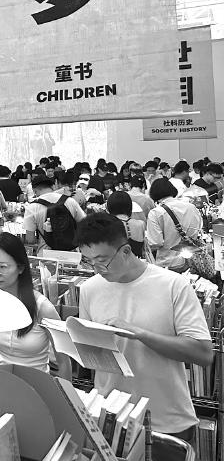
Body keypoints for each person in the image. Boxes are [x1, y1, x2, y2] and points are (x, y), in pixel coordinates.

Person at [76, 213, 214, 442]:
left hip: (164, 417)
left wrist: (139, 334)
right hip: (110, 416)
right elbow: (92, 355)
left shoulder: (173, 285)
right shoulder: (90, 289)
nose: (97, 269)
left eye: (102, 260)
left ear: (126, 251)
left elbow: (203, 353)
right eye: (88, 261)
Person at [0, 233, 71, 378]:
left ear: (21, 268)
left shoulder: (43, 308)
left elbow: (64, 361)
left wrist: (65, 391)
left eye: (3, 267)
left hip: (37, 386)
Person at [146, 178, 203, 271]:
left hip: (168, 263)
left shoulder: (156, 213)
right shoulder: (191, 207)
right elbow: (198, 228)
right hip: (193, 261)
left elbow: (156, 243)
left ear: (153, 194)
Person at [23, 174, 85, 251]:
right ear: (53, 186)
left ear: (34, 190)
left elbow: (30, 239)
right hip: (71, 252)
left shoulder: (32, 208)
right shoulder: (70, 201)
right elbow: (86, 224)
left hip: (45, 253)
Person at [106, 191, 145, 258]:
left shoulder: (107, 226)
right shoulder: (141, 224)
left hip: (115, 263)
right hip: (137, 263)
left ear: (110, 207)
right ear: (130, 206)